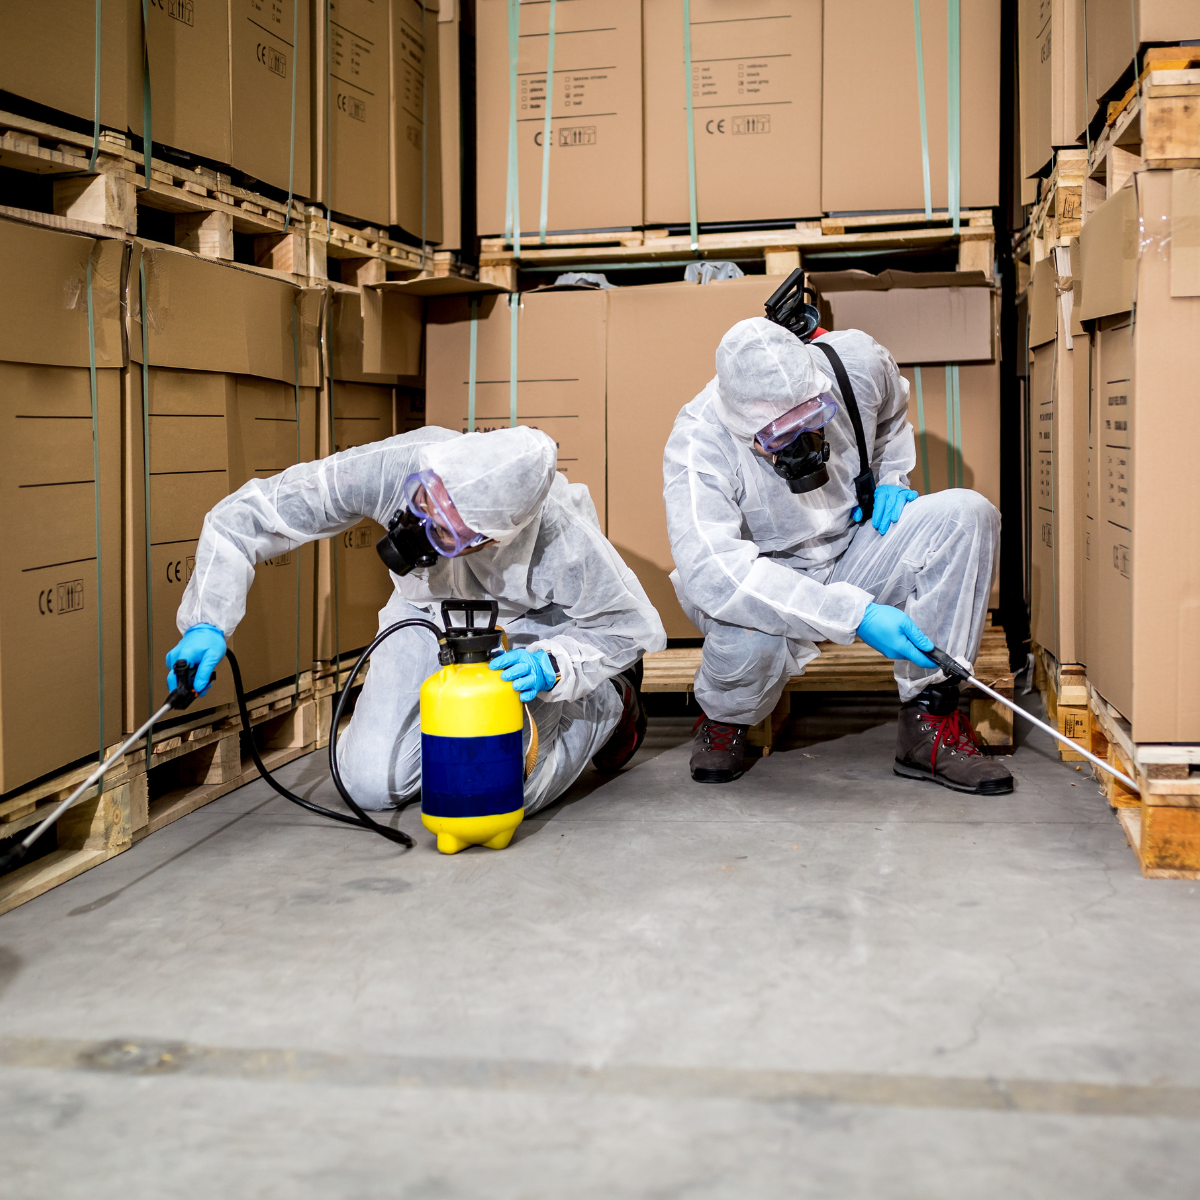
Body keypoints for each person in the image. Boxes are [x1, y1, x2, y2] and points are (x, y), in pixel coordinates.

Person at [165, 425, 666, 815]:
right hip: (426, 608)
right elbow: (250, 515)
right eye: (423, 501)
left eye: (444, 533)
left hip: (531, 626)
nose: (418, 527)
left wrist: (554, 665)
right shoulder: (400, 463)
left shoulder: (561, 538)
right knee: (370, 784)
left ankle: (606, 702)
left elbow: (632, 626)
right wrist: (208, 621)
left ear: (493, 539)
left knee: (497, 791)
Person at [663, 316, 1012, 795]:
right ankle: (726, 716)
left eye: (813, 418)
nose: (804, 443)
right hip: (770, 577)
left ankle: (928, 722)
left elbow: (891, 412)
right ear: (745, 426)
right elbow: (717, 574)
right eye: (779, 437)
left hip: (852, 545)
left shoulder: (853, 363)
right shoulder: (699, 443)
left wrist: (891, 475)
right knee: (747, 642)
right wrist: (856, 615)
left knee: (967, 516)